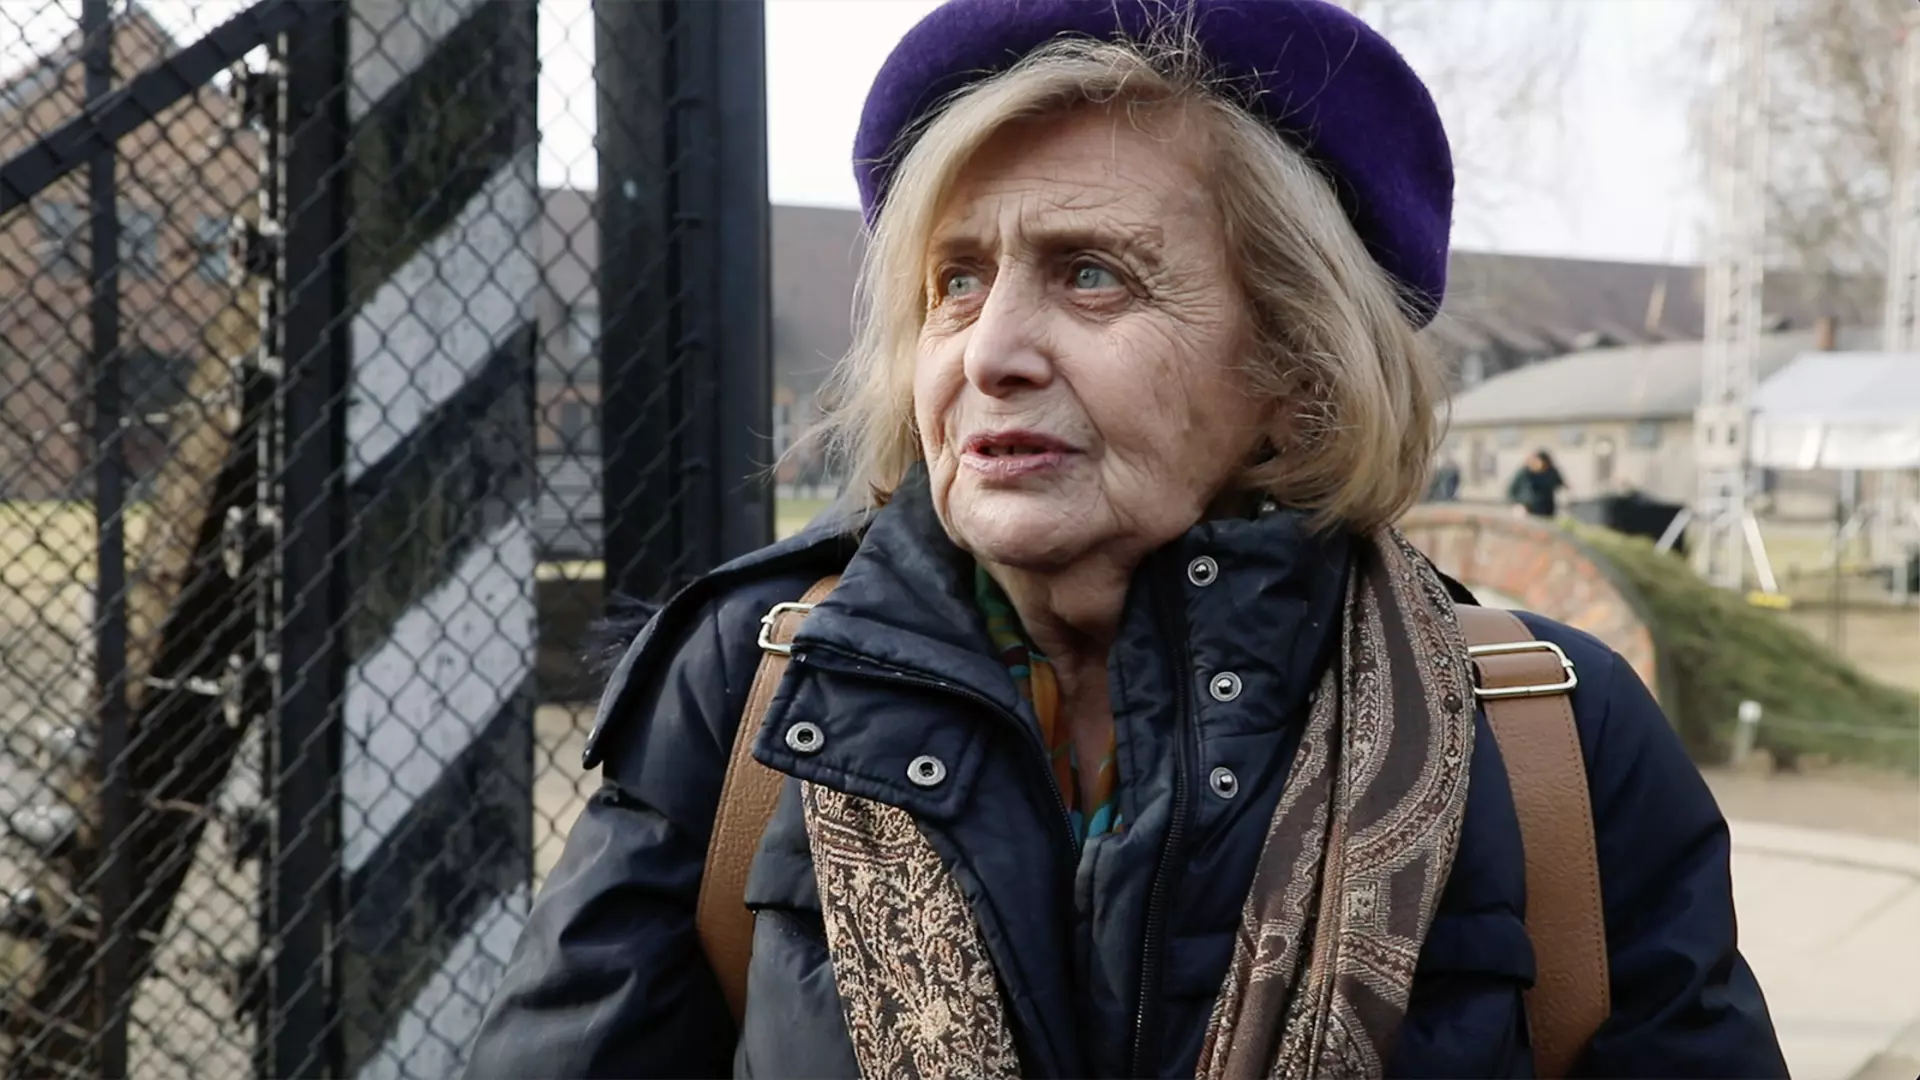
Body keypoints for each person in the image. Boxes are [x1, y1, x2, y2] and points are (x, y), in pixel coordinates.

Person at [467, 1, 1785, 1076]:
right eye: (956, 281)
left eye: (1091, 273)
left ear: (1296, 365)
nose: (990, 352)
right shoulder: (752, 691)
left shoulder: (1549, 740)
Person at [1509, 449, 1568, 518]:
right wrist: (1517, 503)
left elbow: (1559, 483)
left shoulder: (1551, 473)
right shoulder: (1525, 473)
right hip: (1526, 508)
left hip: (1546, 509)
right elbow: (1512, 489)